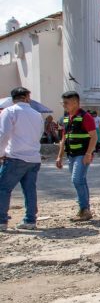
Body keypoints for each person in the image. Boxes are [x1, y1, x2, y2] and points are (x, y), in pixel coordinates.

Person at [0, 87, 45, 231]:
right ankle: (30, 220)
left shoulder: (9, 111)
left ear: (13, 98)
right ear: (27, 97)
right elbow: (39, 134)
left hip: (15, 157)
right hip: (33, 158)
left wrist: (0, 153)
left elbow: (4, 134)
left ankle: (1, 221)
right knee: (30, 190)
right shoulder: (37, 114)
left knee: (3, 189)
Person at [55, 91, 98, 221]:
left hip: (82, 154)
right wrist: (59, 156)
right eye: (63, 103)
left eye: (66, 103)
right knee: (81, 181)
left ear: (75, 102)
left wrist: (88, 154)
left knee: (77, 180)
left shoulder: (86, 117)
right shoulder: (67, 118)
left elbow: (94, 137)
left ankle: (83, 208)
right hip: (71, 155)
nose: (64, 105)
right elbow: (64, 138)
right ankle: (85, 210)